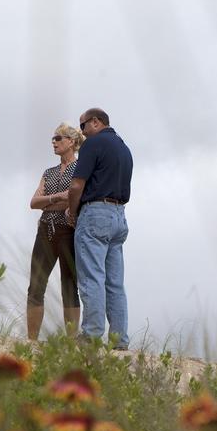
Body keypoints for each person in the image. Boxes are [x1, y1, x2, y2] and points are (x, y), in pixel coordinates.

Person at [65, 108, 132, 349]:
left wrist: (72, 213)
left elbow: (76, 186)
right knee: (114, 282)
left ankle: (91, 334)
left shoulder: (93, 144)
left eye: (82, 126)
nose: (82, 132)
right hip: (119, 215)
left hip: (95, 213)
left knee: (92, 276)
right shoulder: (124, 148)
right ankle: (119, 339)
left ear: (95, 122)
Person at [26, 122, 83, 339]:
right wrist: (56, 198)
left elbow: (75, 198)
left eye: (58, 138)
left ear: (71, 142)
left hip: (68, 231)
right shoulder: (48, 172)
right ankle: (32, 339)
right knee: (35, 285)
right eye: (53, 138)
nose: (54, 142)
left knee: (69, 286)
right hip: (46, 230)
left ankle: (71, 340)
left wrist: (50, 202)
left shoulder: (80, 169)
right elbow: (33, 202)